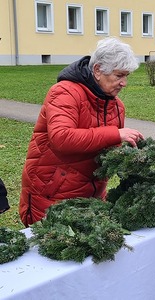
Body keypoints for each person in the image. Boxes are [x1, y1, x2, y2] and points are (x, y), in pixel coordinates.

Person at [19, 37, 144, 227]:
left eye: (126, 76)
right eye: (119, 76)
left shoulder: (117, 106)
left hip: (93, 195)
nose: (124, 83)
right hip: (53, 195)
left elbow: (108, 154)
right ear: (97, 70)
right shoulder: (64, 92)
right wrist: (116, 134)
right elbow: (61, 138)